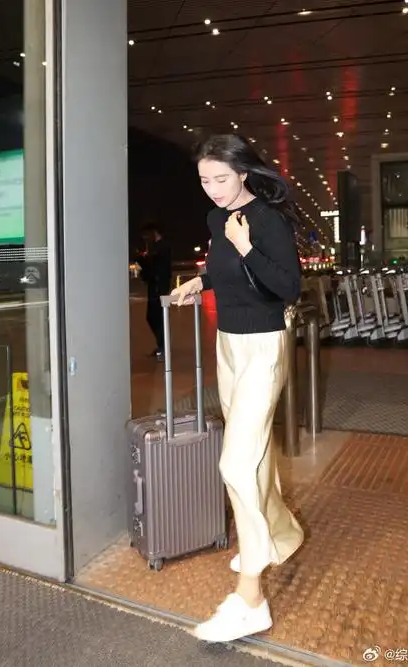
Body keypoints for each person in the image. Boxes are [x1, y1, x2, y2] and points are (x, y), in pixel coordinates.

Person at [170, 134, 304, 643]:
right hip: (228, 345)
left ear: (244, 173)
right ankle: (279, 535)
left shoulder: (267, 220)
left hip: (263, 347)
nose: (213, 188)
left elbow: (287, 287)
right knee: (256, 455)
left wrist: (247, 246)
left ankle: (251, 598)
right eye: (204, 180)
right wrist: (199, 282)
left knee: (235, 463)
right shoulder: (216, 219)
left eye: (221, 178)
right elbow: (224, 271)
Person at [136, 224, 172, 361]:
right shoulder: (157, 247)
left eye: (146, 235)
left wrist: (142, 260)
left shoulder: (161, 248)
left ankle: (163, 347)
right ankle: (162, 345)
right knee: (154, 317)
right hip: (156, 286)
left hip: (158, 287)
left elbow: (155, 268)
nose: (145, 238)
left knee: (156, 317)